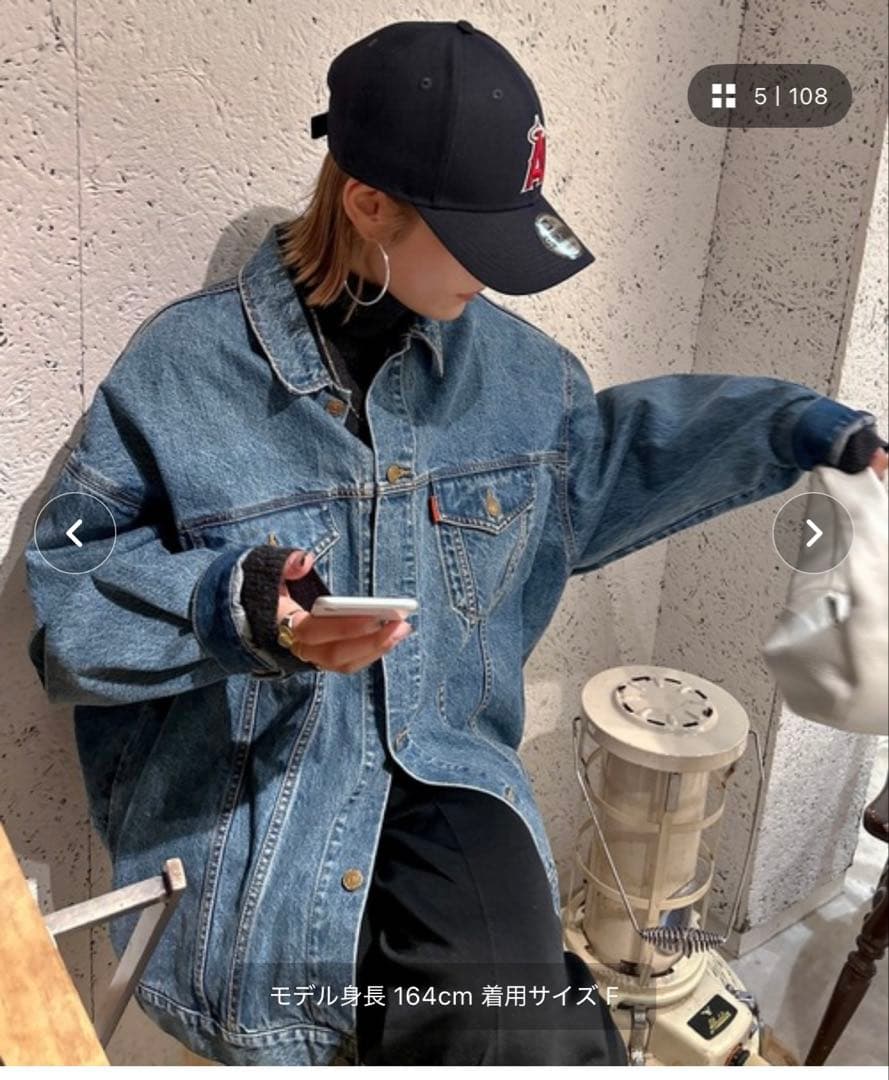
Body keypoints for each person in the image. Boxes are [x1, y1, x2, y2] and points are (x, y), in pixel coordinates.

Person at [23, 19, 887, 1068]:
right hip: (254, 797)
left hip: (444, 770)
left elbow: (612, 464)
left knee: (520, 1032)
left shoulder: (522, 381)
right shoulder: (182, 372)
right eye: (474, 239)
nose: (496, 275)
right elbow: (71, 601)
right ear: (367, 205)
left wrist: (803, 429)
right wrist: (239, 611)